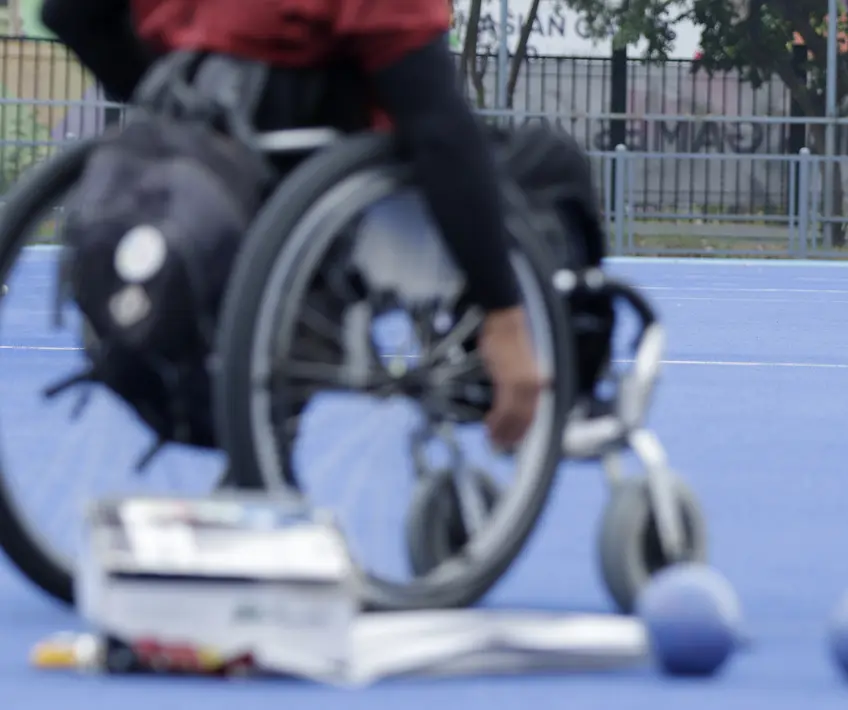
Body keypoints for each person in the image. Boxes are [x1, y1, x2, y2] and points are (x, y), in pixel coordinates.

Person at [40, 0, 544, 450]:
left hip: (221, 171)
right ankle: (551, 391)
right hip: (340, 191)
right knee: (549, 167)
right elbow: (437, 127)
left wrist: (178, 124)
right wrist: (504, 314)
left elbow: (69, 14)